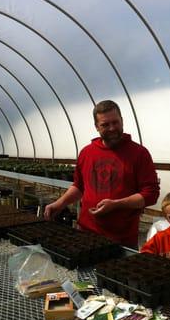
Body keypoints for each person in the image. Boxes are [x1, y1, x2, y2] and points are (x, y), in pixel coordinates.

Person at [44, 100, 159, 247]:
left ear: (122, 121)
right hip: (86, 232)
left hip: (121, 238)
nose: (112, 128)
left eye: (115, 122)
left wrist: (116, 204)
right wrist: (59, 204)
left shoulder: (139, 153)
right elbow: (79, 187)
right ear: (96, 127)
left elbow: (151, 194)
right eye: (105, 124)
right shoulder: (87, 152)